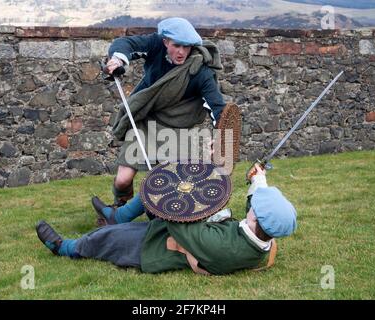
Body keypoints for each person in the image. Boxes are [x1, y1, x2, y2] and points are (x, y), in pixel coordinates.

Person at [36, 164, 297, 275]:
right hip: (168, 232)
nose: (253, 205)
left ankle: (65, 248)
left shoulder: (226, 247)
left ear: (255, 220)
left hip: (155, 249)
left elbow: (179, 222)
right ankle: (118, 215)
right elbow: (257, 204)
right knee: (150, 197)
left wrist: (178, 193)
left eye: (257, 208)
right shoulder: (262, 233)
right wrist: (258, 178)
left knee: (105, 238)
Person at [97, 17, 227, 216]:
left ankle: (164, 218)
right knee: (123, 179)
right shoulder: (155, 44)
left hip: (180, 130)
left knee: (175, 185)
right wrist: (118, 60)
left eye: (187, 46)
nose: (182, 52)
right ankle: (120, 206)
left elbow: (217, 107)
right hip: (146, 122)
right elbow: (126, 44)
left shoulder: (201, 71)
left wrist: (221, 139)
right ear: (165, 41)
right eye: (176, 45)